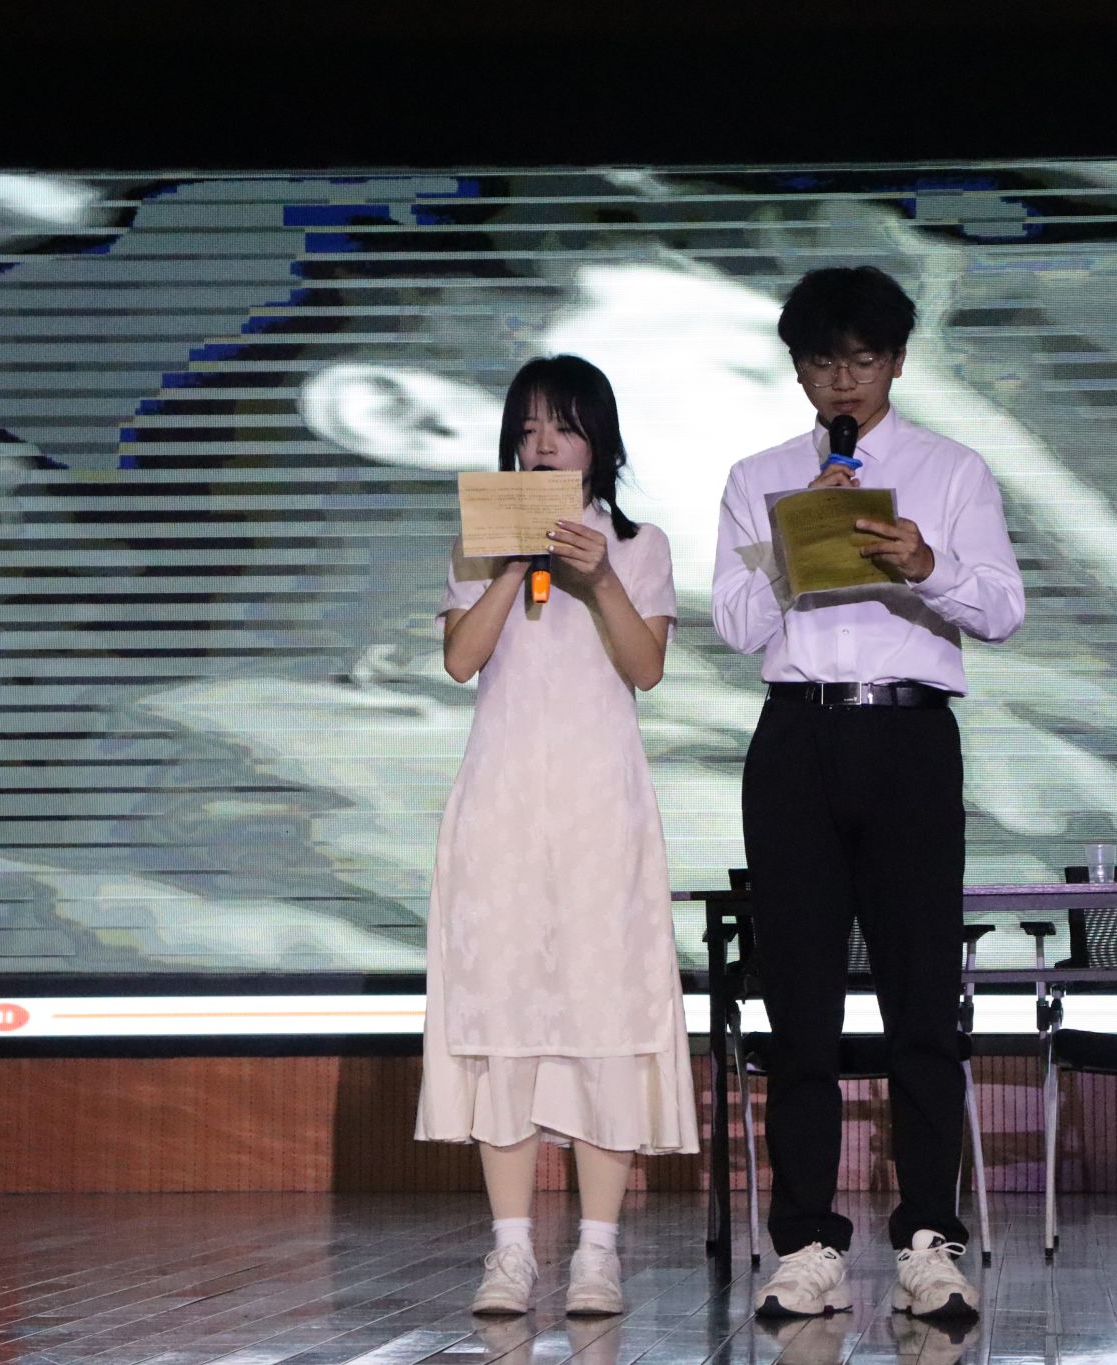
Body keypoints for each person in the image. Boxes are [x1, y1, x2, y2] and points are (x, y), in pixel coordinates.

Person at [711, 267, 1026, 1319]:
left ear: (894, 362)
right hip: (796, 736)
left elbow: (1002, 610)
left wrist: (925, 563)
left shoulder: (951, 470)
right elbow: (734, 626)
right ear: (798, 372)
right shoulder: (759, 476)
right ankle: (806, 1243)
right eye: (821, 362)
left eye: (860, 359)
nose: (841, 381)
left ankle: (929, 1238)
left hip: (909, 736)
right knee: (799, 1005)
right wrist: (793, 551)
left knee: (919, 1002)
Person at [414, 354, 697, 1317]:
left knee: (602, 1017)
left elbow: (645, 666)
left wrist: (597, 574)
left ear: (598, 443)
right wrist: (508, 566)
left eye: (564, 426)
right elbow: (461, 661)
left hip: (597, 812)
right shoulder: (474, 543)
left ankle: (597, 1251)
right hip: (500, 808)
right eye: (529, 427)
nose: (542, 444)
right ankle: (509, 1251)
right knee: (503, 1015)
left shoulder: (642, 544)